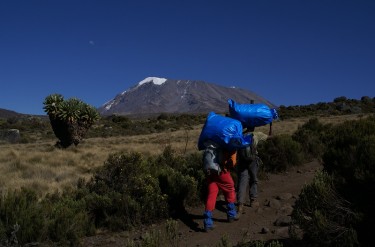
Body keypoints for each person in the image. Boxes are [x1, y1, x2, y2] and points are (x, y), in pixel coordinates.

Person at [202, 141, 239, 231]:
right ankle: (231, 214)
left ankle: (208, 223)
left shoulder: (210, 142)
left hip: (210, 173)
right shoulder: (227, 141)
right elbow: (232, 162)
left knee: (211, 195)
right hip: (221, 172)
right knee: (230, 188)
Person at [236, 123, 273, 214]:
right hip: (253, 160)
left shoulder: (240, 135)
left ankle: (240, 205)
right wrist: (271, 126)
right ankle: (253, 201)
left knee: (242, 181)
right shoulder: (256, 134)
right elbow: (270, 137)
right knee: (253, 179)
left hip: (242, 161)